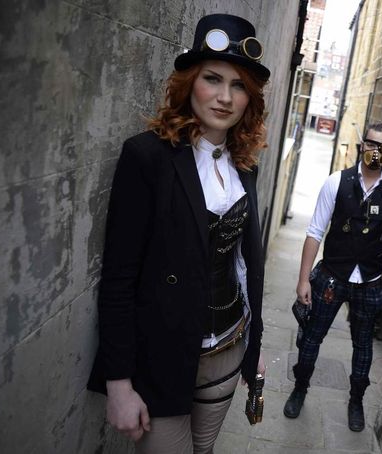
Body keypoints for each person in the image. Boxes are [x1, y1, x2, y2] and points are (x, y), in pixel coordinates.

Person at [87, 14, 270, 454]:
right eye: (212, 79)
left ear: (251, 97)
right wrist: (118, 383)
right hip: (162, 355)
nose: (225, 97)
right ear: (189, 83)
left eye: (239, 85)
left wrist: (254, 345)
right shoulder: (147, 157)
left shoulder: (245, 164)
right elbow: (118, 278)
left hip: (228, 347)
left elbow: (247, 264)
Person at [283, 123, 382, 431]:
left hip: (369, 283)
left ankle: (355, 401)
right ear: (361, 146)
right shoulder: (336, 183)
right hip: (331, 277)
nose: (376, 150)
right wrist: (303, 280)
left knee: (364, 346)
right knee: (311, 338)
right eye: (371, 143)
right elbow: (314, 233)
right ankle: (300, 387)